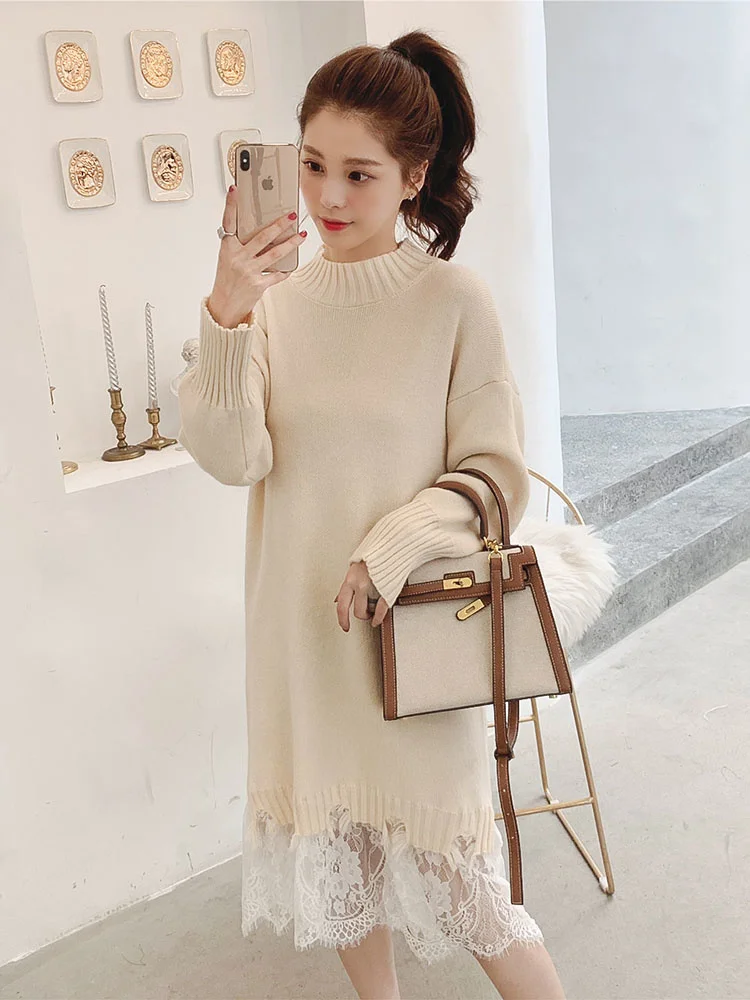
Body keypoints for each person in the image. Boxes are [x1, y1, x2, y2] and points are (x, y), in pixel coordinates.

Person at [177, 28, 566, 1000]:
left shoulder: (454, 302)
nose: (329, 197)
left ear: (412, 177)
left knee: (467, 890)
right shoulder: (269, 305)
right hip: (306, 645)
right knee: (345, 868)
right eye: (312, 165)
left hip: (413, 641)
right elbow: (233, 458)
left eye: (359, 173)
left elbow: (495, 474)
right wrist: (226, 311)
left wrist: (390, 546)